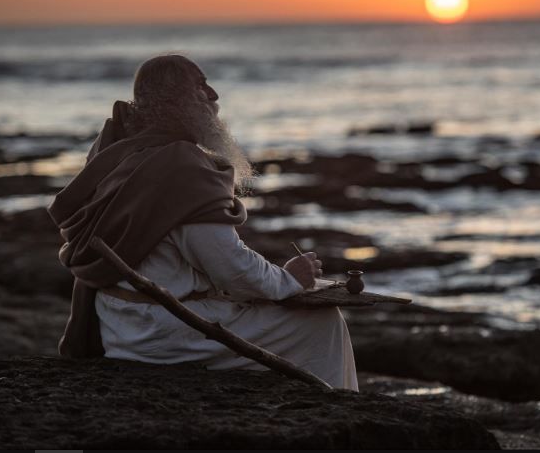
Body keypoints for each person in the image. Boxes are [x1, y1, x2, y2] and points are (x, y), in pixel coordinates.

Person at [48, 54, 358, 391]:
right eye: (201, 85)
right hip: (165, 334)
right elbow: (231, 269)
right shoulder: (179, 167)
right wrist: (289, 279)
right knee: (323, 323)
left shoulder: (122, 153)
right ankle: (332, 419)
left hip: (119, 324)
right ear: (176, 99)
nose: (213, 95)